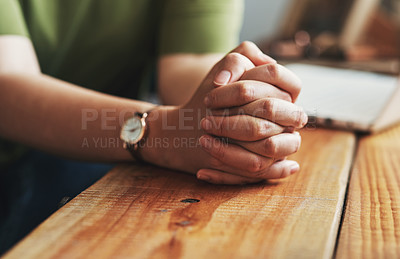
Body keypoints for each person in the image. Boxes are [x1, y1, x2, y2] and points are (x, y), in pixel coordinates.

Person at [0, 0, 307, 253]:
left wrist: (236, 108)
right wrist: (162, 134)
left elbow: (190, 61)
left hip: (109, 153)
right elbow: (6, 86)